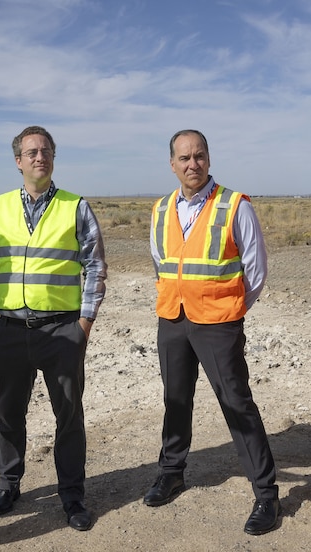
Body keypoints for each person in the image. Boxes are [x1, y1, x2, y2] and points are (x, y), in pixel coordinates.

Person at [0, 126, 107, 530]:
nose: (39, 157)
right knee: (9, 413)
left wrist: (83, 323)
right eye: (31, 152)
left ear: (53, 157)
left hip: (62, 330)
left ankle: (72, 495)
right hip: (8, 330)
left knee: (69, 416)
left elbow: (95, 266)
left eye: (46, 151)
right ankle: (8, 484)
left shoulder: (75, 206)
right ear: (18, 161)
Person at [144, 129, 279, 535]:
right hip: (172, 319)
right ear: (172, 164)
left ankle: (267, 494)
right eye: (184, 158)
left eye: (199, 156)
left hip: (218, 324)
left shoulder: (234, 205)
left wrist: (232, 311)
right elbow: (160, 262)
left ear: (208, 159)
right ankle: (172, 472)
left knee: (236, 402)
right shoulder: (161, 209)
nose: (192, 164)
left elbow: (255, 271)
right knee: (175, 399)